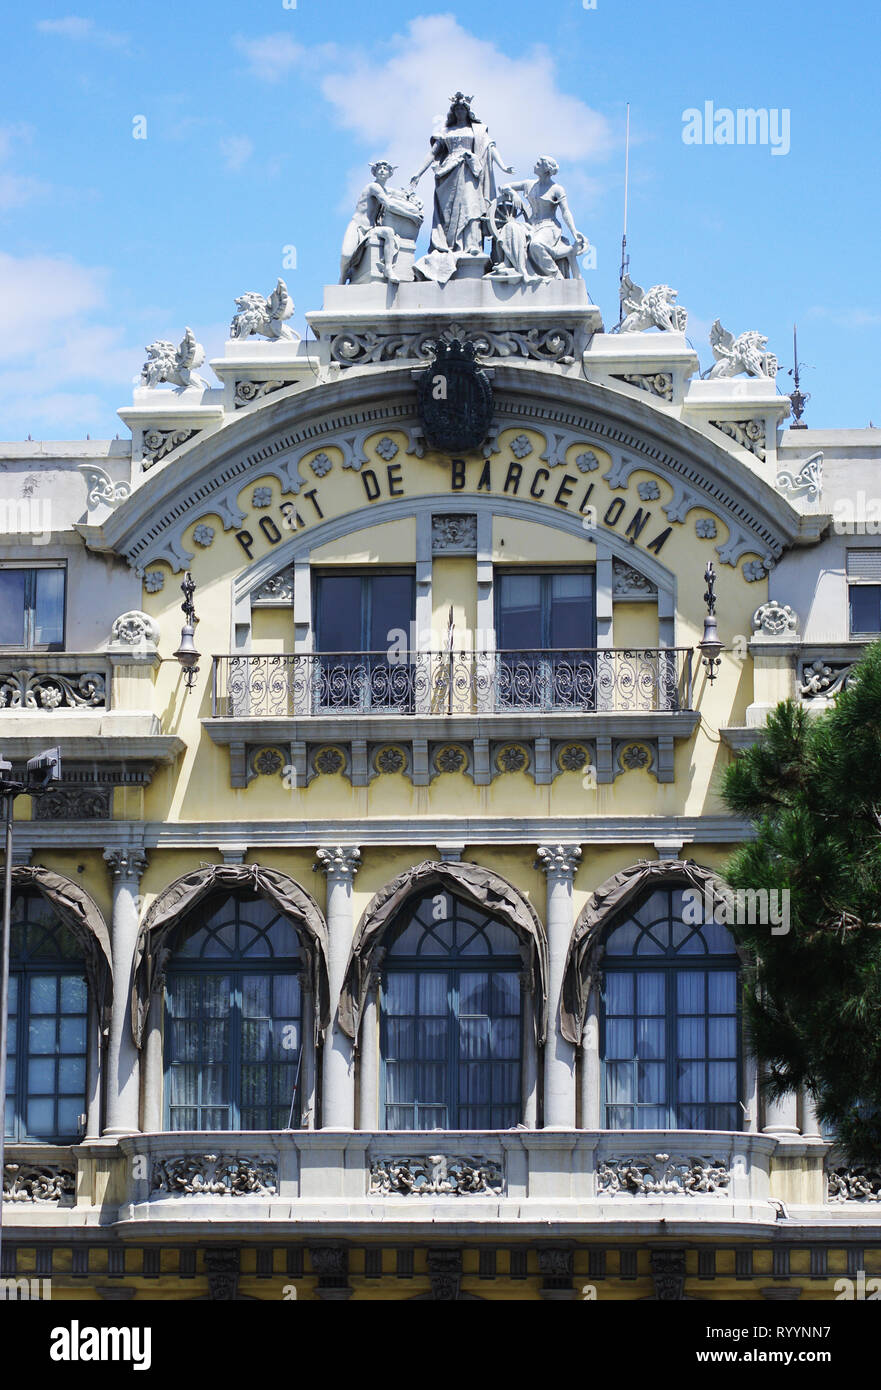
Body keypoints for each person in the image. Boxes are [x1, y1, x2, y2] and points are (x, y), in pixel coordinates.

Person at [409, 93, 513, 282]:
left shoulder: (478, 130)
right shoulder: (446, 131)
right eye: (456, 109)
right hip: (448, 172)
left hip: (470, 171)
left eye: (462, 109)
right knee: (448, 212)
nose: (459, 112)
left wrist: (503, 166)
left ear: (467, 111)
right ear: (453, 111)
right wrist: (418, 173)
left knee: (471, 206)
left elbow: (490, 147)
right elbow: (432, 153)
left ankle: (471, 244)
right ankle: (449, 246)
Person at [508, 157, 587, 280]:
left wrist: (574, 231)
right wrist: (513, 194)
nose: (534, 165)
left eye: (538, 164)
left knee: (536, 245)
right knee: (511, 229)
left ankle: (556, 274)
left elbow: (565, 211)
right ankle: (511, 266)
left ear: (546, 170)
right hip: (531, 225)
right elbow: (504, 186)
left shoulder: (557, 189)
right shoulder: (529, 184)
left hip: (549, 226)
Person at [340, 161, 408, 284]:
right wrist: (412, 216)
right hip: (357, 226)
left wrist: (409, 196)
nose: (382, 170)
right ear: (375, 173)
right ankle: (342, 277)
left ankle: (388, 268)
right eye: (379, 169)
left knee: (389, 232)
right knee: (346, 255)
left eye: (385, 169)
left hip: (371, 229)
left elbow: (401, 195)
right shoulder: (373, 187)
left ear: (389, 173)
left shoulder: (385, 190)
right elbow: (389, 204)